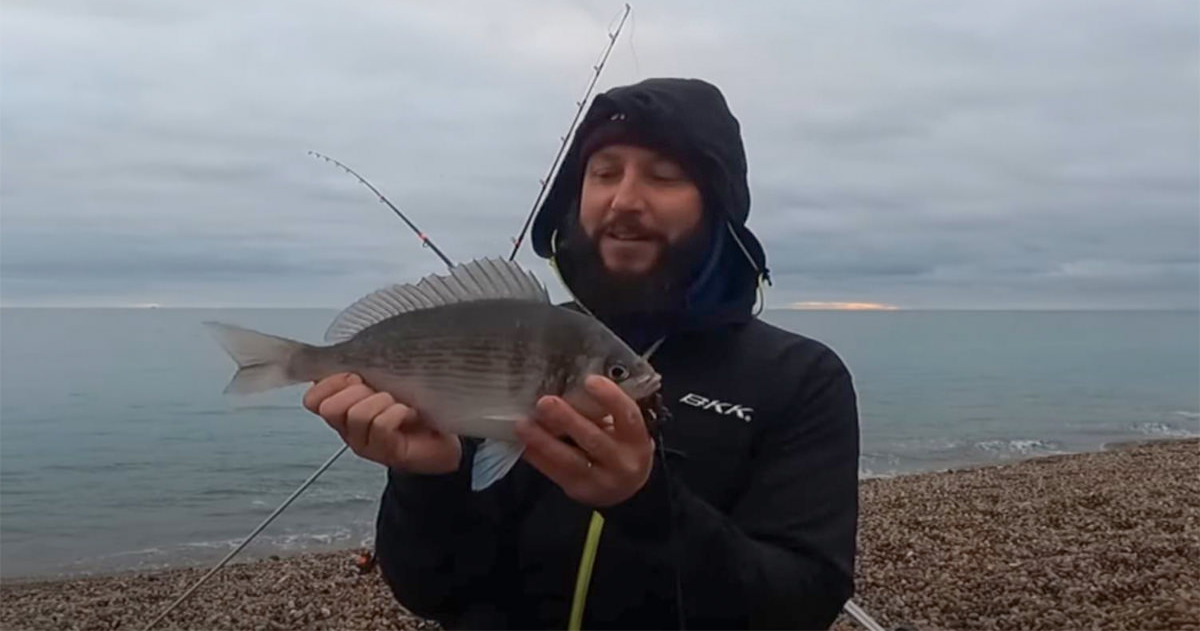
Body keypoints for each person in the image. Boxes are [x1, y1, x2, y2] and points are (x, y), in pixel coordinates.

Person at [302, 77, 860, 630]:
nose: (624, 200)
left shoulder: (802, 379)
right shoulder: (496, 344)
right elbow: (433, 592)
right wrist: (428, 481)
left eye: (665, 176)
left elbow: (802, 604)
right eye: (603, 173)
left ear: (716, 203)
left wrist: (645, 505)